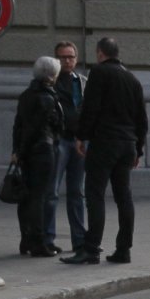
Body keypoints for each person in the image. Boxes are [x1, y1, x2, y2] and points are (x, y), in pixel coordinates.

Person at [67, 36, 147, 265]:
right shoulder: (132, 79)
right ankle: (124, 250)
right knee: (124, 197)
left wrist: (81, 135)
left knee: (95, 195)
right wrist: (138, 149)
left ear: (100, 53)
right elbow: (142, 119)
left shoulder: (99, 72)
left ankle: (91, 249)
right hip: (127, 144)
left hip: (104, 142)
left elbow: (91, 107)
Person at [11, 56, 63, 257]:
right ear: (52, 75)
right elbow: (38, 128)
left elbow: (18, 126)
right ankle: (38, 243)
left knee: (27, 197)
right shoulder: (47, 98)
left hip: (28, 151)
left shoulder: (26, 95)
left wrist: (17, 151)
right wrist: (22, 150)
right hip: (42, 150)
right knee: (38, 197)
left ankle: (26, 240)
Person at [44, 40, 86, 255]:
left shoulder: (82, 82)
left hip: (79, 141)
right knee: (51, 192)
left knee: (77, 193)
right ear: (56, 59)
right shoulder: (50, 82)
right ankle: (47, 239)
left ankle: (79, 240)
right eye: (63, 57)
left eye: (71, 57)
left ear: (76, 59)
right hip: (59, 141)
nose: (67, 61)